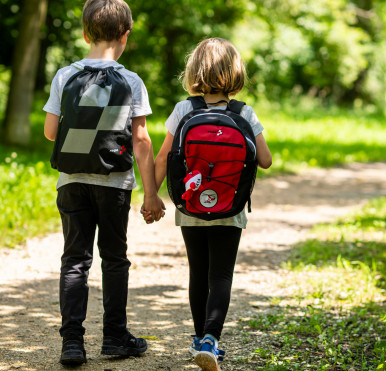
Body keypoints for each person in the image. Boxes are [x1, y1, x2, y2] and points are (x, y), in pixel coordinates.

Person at [42, 0, 165, 365]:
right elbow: (141, 142)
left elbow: (51, 133)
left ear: (84, 34)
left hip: (72, 181)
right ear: (125, 36)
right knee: (114, 259)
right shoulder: (130, 80)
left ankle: (72, 343)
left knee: (75, 260)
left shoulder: (65, 75)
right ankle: (114, 337)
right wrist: (152, 194)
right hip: (114, 183)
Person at [149, 37, 272, 371]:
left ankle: (197, 337)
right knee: (221, 275)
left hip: (190, 206)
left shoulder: (184, 110)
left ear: (194, 70)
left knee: (198, 272)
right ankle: (211, 340)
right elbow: (265, 160)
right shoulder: (244, 112)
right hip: (230, 208)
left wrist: (151, 196)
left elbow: (162, 158)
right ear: (235, 73)